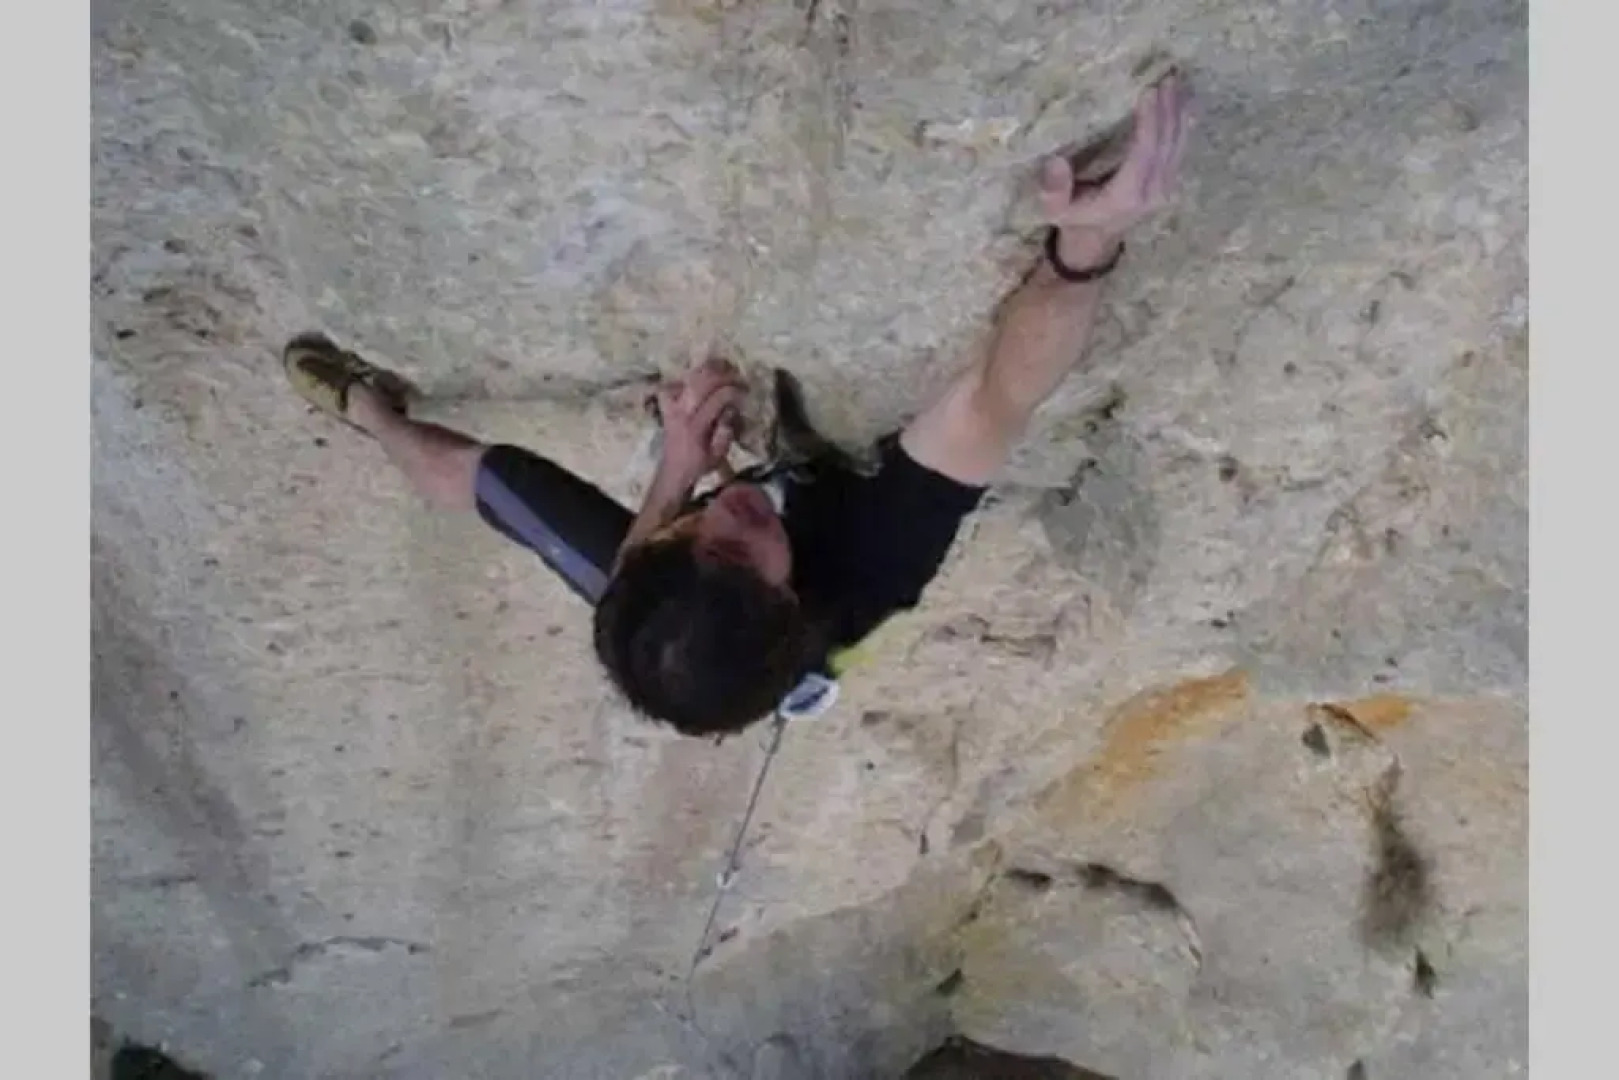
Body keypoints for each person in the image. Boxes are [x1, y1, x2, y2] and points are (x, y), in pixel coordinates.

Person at [284, 75, 1192, 739]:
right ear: (785, 600)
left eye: (697, 536)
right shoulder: (872, 563)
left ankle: (367, 411)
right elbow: (1002, 392)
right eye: (743, 553)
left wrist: (679, 464)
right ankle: (373, 413)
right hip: (781, 612)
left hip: (688, 619)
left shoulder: (651, 582)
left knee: (489, 481)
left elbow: (648, 552)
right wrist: (1086, 244)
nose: (732, 516)